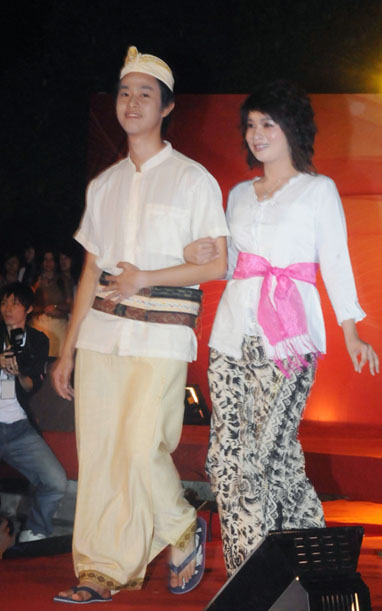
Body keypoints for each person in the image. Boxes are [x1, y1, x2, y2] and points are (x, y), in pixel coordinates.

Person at [52, 46, 228, 604]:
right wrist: (68, 350)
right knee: (101, 453)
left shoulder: (193, 180)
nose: (131, 103)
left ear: (167, 106)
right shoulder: (103, 185)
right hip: (102, 335)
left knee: (141, 447)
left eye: (145, 94)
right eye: (125, 92)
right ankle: (100, 570)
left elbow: (218, 264)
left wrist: (146, 277)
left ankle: (181, 524)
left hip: (161, 336)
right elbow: (90, 272)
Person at [184, 80, 379, 576]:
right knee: (232, 459)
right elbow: (228, 264)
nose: (256, 133)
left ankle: (255, 578)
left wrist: (351, 331)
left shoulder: (318, 190)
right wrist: (199, 254)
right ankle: (313, 566)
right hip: (231, 337)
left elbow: (335, 261)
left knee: (260, 458)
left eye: (267, 123)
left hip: (289, 340)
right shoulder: (238, 195)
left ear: (292, 127)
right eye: (250, 125)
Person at [0, 283, 67, 542]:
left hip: (18, 426)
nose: (8, 308)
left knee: (56, 481)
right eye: (4, 302)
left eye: (15, 303)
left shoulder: (38, 340)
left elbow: (32, 386)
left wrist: (18, 373)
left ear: (28, 309)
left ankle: (34, 533)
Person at [30, 251, 71, 357]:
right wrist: (36, 286)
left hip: (59, 327)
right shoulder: (35, 280)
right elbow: (27, 305)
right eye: (45, 259)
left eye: (51, 260)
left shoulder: (63, 280)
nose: (48, 263)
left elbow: (70, 305)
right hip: (39, 326)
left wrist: (56, 307)